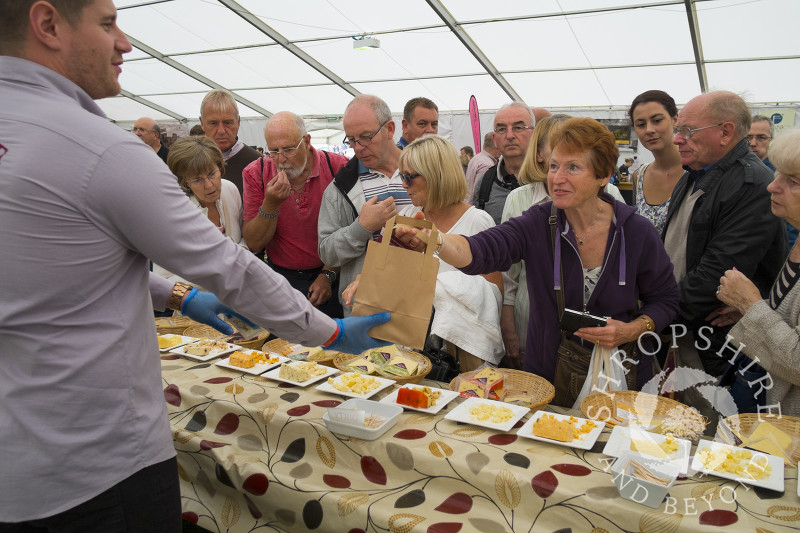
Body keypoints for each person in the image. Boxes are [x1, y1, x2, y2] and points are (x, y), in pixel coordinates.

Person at [0, 1, 388, 529]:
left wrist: (174, 296)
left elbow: (63, 269)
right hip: (94, 464)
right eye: (107, 23)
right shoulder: (99, 150)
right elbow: (228, 265)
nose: (126, 44)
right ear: (48, 25)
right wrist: (328, 332)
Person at [400, 118, 679, 402]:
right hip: (549, 376)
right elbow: (483, 249)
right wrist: (440, 241)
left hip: (621, 380)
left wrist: (632, 329)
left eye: (573, 167)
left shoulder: (635, 231)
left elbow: (666, 299)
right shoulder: (539, 222)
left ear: (604, 175)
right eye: (554, 166)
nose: (557, 178)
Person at [663, 90, 785, 412]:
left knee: (711, 431)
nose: (677, 139)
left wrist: (652, 316)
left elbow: (715, 276)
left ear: (726, 131)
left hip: (719, 345)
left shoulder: (751, 184)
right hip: (689, 331)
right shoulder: (695, 174)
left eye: (687, 131)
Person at [345, 135, 503, 371]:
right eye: (402, 176)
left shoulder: (477, 221)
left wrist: (439, 288)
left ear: (437, 175)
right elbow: (385, 271)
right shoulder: (407, 215)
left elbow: (494, 294)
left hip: (456, 357)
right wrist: (364, 279)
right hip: (407, 351)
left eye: (409, 177)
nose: (403, 185)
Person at [499, 115, 628, 369]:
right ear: (539, 155)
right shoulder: (518, 199)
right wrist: (507, 323)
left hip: (594, 326)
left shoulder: (610, 194)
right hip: (534, 319)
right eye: (559, 145)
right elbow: (509, 273)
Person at [715, 128, 800, 417]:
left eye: (793, 181)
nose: (772, 186)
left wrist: (752, 307)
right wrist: (751, 313)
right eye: (778, 174)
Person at [242, 111, 348, 318]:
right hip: (281, 278)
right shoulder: (256, 173)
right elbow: (254, 243)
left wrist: (328, 274)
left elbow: (349, 231)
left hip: (334, 274)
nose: (281, 159)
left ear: (307, 141)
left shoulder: (338, 168)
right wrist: (271, 204)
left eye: (289, 149)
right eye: (273, 151)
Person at [318, 95, 414, 314]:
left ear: (390, 129)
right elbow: (327, 254)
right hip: (366, 309)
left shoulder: (423, 171)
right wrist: (361, 228)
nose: (358, 148)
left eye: (365, 137)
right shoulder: (339, 188)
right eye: (351, 139)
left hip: (420, 306)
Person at [152, 135, 247, 282]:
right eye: (197, 180)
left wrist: (241, 251)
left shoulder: (230, 189)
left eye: (212, 174)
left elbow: (241, 237)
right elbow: (162, 281)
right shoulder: (171, 215)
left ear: (220, 167)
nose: (209, 185)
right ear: (184, 181)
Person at [628, 90, 684, 234]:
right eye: (641, 124)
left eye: (657, 120)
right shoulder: (639, 176)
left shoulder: (696, 171)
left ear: (675, 119)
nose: (649, 130)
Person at [473, 102, 535, 225]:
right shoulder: (484, 185)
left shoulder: (550, 179)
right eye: (502, 129)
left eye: (518, 127)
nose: (510, 135)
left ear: (534, 134)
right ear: (495, 140)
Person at [199, 89, 261, 196]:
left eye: (227, 122)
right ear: (202, 123)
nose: (221, 131)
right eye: (213, 123)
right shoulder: (192, 163)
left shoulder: (259, 164)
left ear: (238, 122)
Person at [749, 115, 796, 246]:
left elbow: (792, 226)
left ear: (772, 140)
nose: (753, 143)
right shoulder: (740, 173)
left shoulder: (784, 172)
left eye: (761, 137)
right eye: (748, 137)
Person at [464, 131, 500, 202]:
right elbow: (479, 192)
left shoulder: (476, 158)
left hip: (468, 204)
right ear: (497, 146)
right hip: (476, 208)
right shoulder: (487, 165)